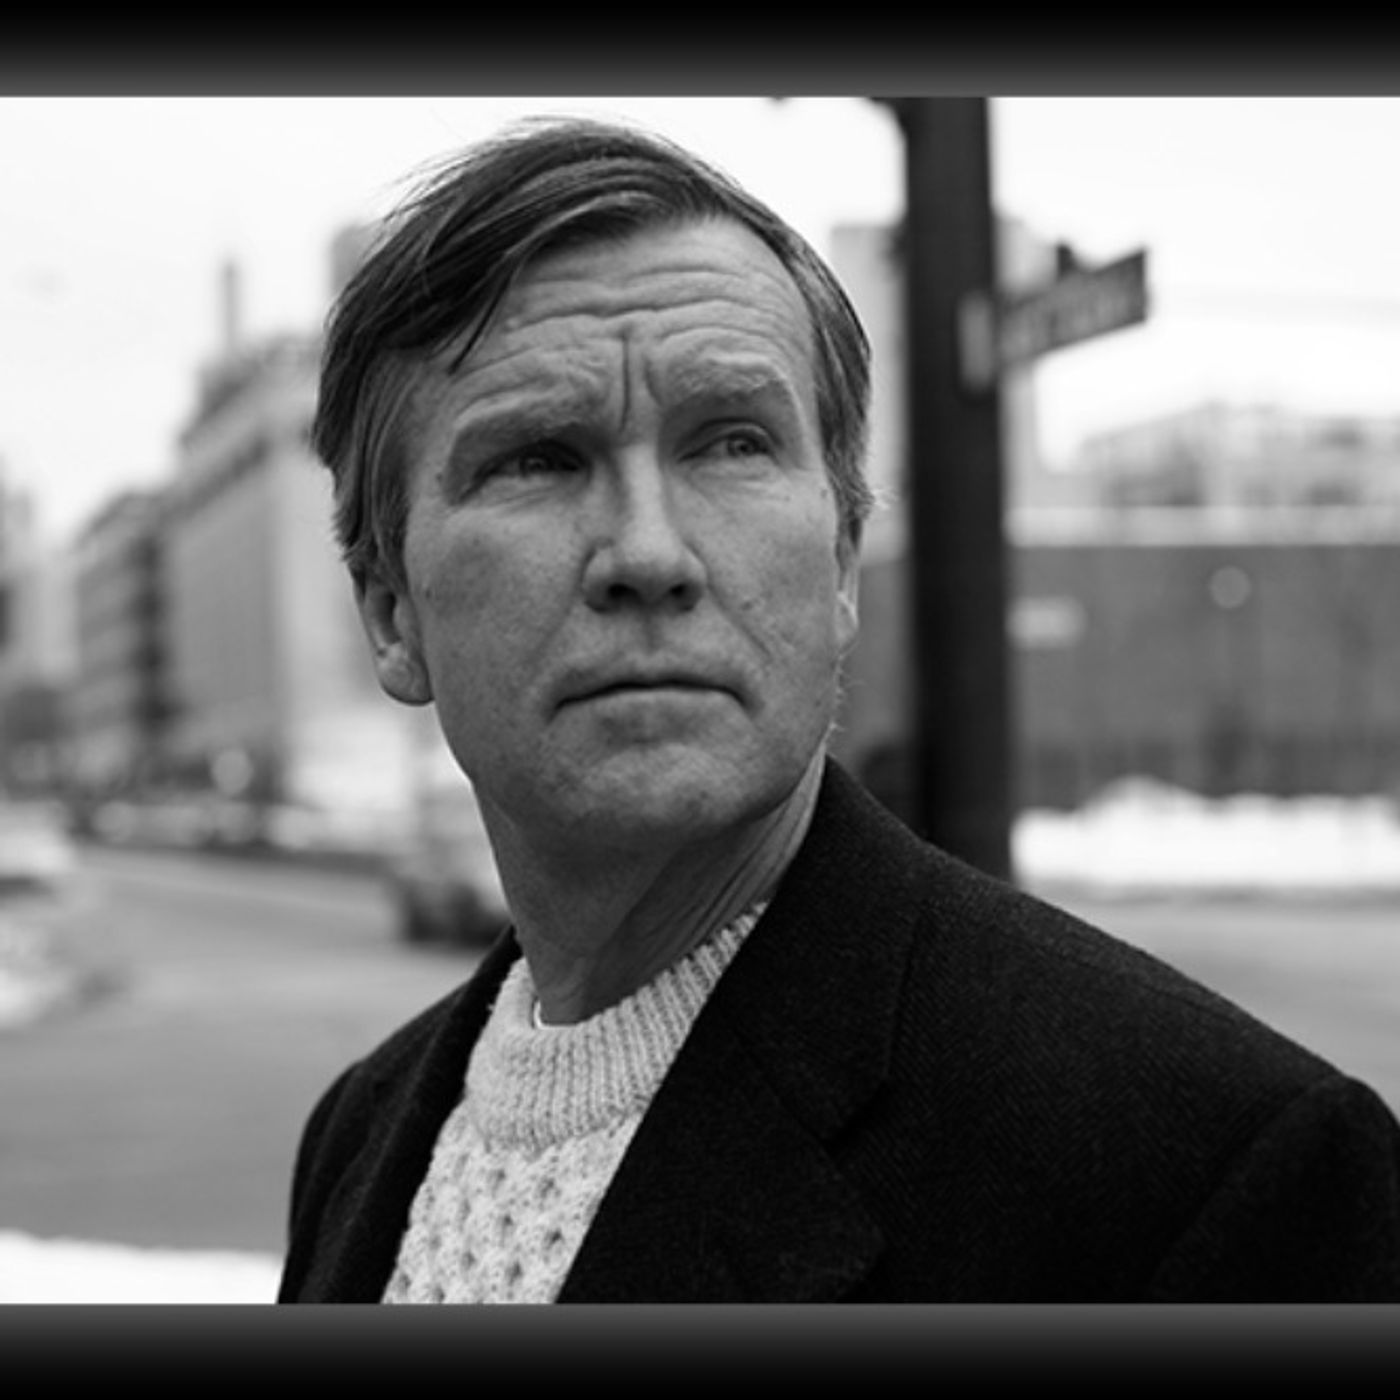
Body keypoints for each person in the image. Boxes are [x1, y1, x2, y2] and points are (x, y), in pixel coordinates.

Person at [278, 114, 1400, 1304]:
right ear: (391, 611)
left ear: (841, 562)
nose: (648, 552)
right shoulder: (360, 1133)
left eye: (730, 443)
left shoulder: (1212, 1173)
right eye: (538, 458)